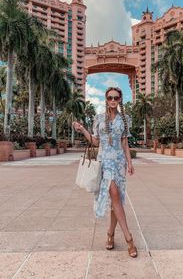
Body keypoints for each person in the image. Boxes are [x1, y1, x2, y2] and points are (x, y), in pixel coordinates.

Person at [72, 86, 138, 258]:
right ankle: (129, 239)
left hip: (119, 163)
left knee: (117, 200)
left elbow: (125, 144)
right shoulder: (99, 118)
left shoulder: (125, 119)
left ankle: (110, 234)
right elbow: (95, 141)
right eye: (110, 97)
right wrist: (83, 130)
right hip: (104, 162)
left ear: (120, 99)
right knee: (114, 193)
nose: (113, 100)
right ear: (106, 99)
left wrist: (130, 163)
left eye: (116, 98)